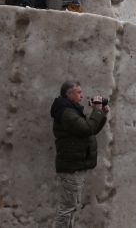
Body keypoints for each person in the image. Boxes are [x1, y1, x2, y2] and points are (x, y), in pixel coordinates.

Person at [49, 80, 109, 228]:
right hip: (71, 167)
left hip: (76, 165)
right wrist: (96, 109)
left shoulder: (71, 110)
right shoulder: (66, 112)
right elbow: (87, 129)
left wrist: (102, 113)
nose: (82, 95)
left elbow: (91, 130)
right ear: (69, 94)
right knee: (67, 207)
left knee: (72, 206)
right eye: (79, 92)